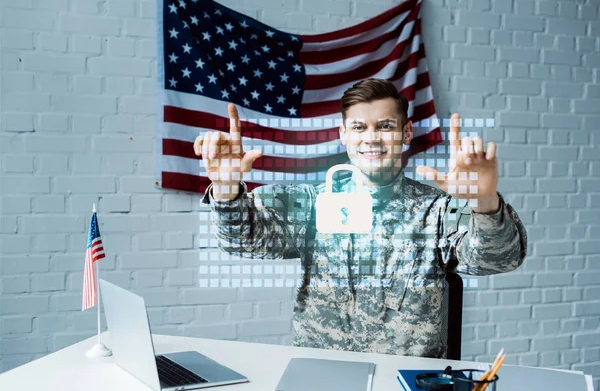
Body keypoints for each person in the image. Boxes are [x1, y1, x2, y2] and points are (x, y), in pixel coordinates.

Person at [194, 78, 528, 359]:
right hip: (324, 376)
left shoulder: (436, 211)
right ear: (344, 134)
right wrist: (225, 188)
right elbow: (242, 241)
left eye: (385, 126)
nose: (371, 138)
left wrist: (483, 199)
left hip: (406, 381)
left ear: (406, 132)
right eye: (359, 127)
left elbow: (499, 260)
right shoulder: (312, 204)